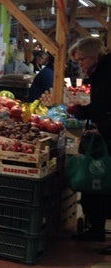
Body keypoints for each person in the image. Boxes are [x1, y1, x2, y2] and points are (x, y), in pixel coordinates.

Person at [66, 37, 111, 254]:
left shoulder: (106, 72)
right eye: (78, 61)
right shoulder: (100, 72)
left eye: (82, 59)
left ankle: (97, 228)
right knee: (98, 183)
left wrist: (82, 112)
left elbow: (104, 105)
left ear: (94, 55)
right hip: (105, 130)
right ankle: (96, 229)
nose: (81, 64)